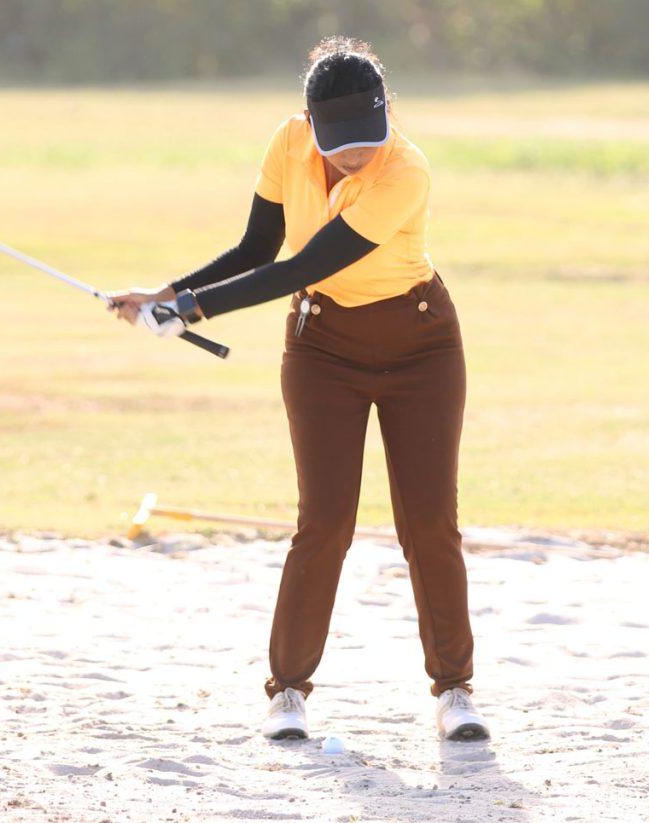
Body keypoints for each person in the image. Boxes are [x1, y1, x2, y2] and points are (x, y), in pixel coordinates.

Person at [108, 36, 489, 742]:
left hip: (422, 347)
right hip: (323, 351)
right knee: (325, 522)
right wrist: (166, 292)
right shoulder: (287, 144)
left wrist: (187, 311)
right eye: (340, 141)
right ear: (309, 122)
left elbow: (303, 263)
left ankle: (455, 688)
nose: (356, 155)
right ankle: (287, 690)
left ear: (388, 114)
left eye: (367, 138)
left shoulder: (405, 170)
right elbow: (258, 250)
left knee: (429, 523)